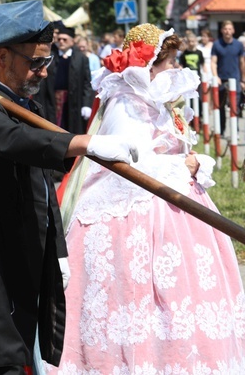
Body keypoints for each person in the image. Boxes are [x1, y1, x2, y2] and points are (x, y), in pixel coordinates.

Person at [0, 0, 139, 374]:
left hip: (16, 254)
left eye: (47, 63)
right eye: (36, 63)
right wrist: (85, 143)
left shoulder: (26, 106)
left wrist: (55, 250)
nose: (43, 73)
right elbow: (15, 142)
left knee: (2, 360)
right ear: (3, 56)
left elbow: (40, 180)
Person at [51, 24, 245, 373]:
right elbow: (129, 164)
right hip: (131, 211)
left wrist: (188, 162)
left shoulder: (157, 102)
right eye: (167, 60)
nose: (173, 68)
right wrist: (184, 164)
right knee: (141, 301)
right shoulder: (125, 103)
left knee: (188, 298)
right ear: (147, 65)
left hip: (173, 204)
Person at [34, 22, 94, 134]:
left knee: (71, 128)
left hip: (74, 101)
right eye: (59, 39)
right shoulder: (50, 56)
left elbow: (87, 83)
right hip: (52, 100)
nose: (61, 42)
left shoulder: (81, 58)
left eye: (65, 39)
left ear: (72, 41)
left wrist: (86, 104)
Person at [211, 20, 245, 133]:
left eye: (230, 29)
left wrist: (243, 80)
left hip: (235, 79)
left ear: (233, 31)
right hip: (221, 80)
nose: (227, 31)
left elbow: (242, 63)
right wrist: (215, 76)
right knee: (220, 107)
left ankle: (235, 132)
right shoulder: (216, 44)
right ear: (222, 30)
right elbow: (213, 62)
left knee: (235, 107)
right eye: (225, 29)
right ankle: (222, 130)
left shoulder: (238, 45)